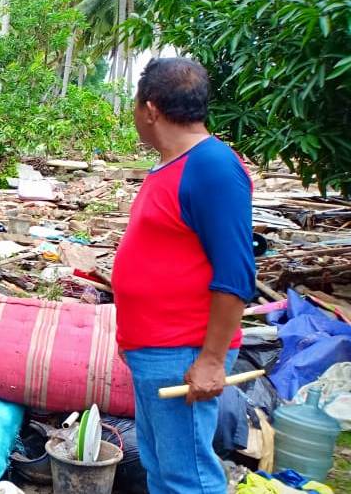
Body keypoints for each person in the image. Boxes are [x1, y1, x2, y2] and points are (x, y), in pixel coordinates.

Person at [112, 58, 256, 494]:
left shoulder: (211, 167)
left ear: (151, 109)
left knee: (187, 478)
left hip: (184, 352)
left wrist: (211, 360)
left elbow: (236, 273)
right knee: (162, 468)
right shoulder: (172, 165)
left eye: (136, 106)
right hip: (157, 350)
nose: (135, 116)